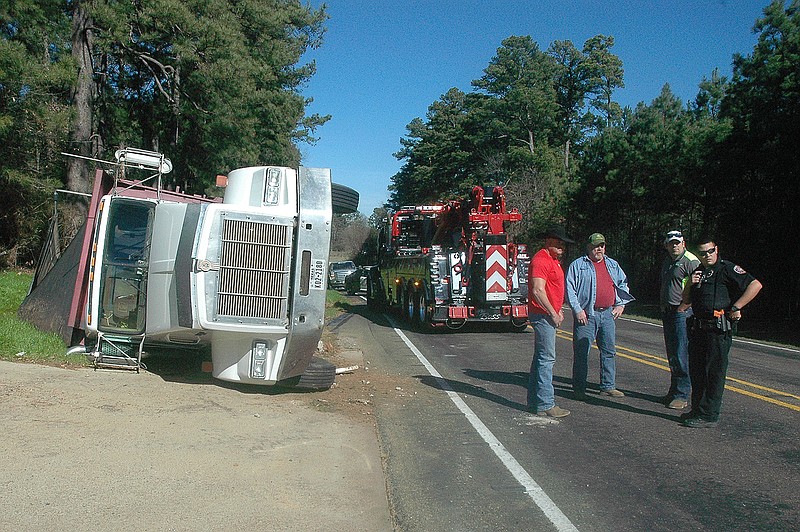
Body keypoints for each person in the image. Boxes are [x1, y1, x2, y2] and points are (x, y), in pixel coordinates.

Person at [677, 237, 762, 428]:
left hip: (718, 329)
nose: (707, 255)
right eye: (702, 253)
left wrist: (737, 306)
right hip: (698, 328)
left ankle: (709, 415)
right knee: (697, 371)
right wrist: (690, 284)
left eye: (710, 251)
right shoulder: (698, 271)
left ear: (716, 249)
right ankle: (698, 409)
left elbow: (755, 285)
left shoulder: (727, 268)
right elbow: (686, 300)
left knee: (713, 373)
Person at [566, 233, 634, 400]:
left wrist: (621, 304)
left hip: (608, 314)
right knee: (582, 352)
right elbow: (570, 289)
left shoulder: (612, 265)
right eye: (596, 246)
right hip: (587, 314)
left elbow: (622, 283)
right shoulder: (578, 265)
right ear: (588, 247)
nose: (599, 249)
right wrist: (577, 310)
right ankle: (579, 388)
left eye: (602, 245)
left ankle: (608, 386)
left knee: (609, 351)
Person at [527, 225, 574, 418]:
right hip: (543, 315)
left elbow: (553, 289)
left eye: (563, 242)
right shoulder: (541, 260)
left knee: (540, 359)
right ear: (549, 241)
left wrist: (557, 309)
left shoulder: (552, 260)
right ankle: (546, 404)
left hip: (547, 313)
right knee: (547, 359)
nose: (562, 245)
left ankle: (535, 402)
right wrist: (553, 312)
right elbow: (538, 290)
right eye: (558, 241)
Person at [659, 230, 699, 410]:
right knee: (673, 353)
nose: (674, 245)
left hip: (682, 313)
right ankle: (674, 390)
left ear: (683, 243)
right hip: (668, 312)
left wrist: (685, 306)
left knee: (682, 354)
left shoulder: (691, 261)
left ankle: (682, 395)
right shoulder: (669, 261)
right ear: (666, 245)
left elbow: (699, 288)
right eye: (671, 243)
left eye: (677, 242)